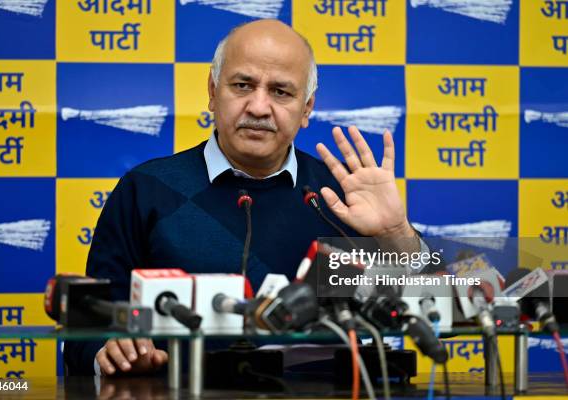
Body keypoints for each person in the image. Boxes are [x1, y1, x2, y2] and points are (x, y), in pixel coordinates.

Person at [64, 19, 421, 376]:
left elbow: (450, 308)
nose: (259, 107)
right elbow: (87, 328)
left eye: (281, 92)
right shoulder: (146, 189)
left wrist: (395, 231)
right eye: (243, 85)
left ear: (307, 108)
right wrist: (108, 352)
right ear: (212, 91)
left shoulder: (343, 195)